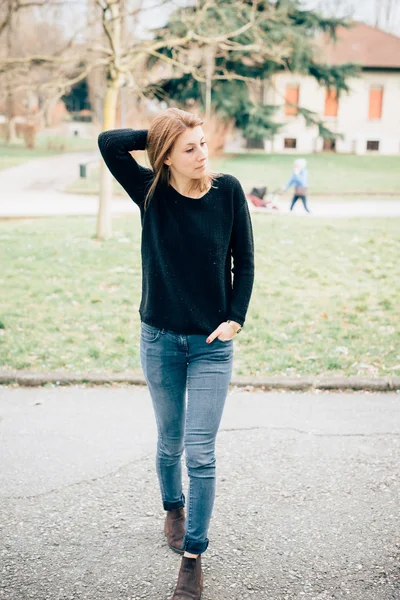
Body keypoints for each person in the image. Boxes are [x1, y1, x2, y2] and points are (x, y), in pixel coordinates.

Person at [98, 107, 255, 600]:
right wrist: (163, 133)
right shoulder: (151, 193)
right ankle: (173, 505)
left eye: (204, 143)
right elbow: (108, 142)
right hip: (160, 340)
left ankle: (193, 555)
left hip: (211, 346)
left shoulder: (227, 191)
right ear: (165, 156)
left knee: (201, 452)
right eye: (189, 148)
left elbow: (244, 260)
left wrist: (235, 318)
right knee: (170, 443)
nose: (202, 154)